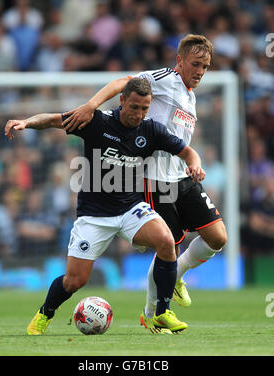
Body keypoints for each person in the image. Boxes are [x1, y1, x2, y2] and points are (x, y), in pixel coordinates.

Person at [4, 78, 206, 335]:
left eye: (145, 108)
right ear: (122, 100)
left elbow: (188, 152)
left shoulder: (151, 130)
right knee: (74, 281)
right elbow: (53, 120)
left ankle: (162, 312)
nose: (139, 114)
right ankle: (45, 313)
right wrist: (26, 123)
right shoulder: (97, 122)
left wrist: (195, 164)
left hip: (131, 208)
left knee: (167, 241)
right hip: (94, 215)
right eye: (134, 107)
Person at [62, 34, 228, 330]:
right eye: (196, 64)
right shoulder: (166, 78)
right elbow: (121, 84)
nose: (201, 70)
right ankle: (151, 313)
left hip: (183, 177)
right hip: (156, 180)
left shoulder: (190, 94)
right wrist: (91, 105)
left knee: (218, 237)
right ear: (180, 61)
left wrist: (193, 161)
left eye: (206, 65)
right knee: (169, 247)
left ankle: (176, 277)